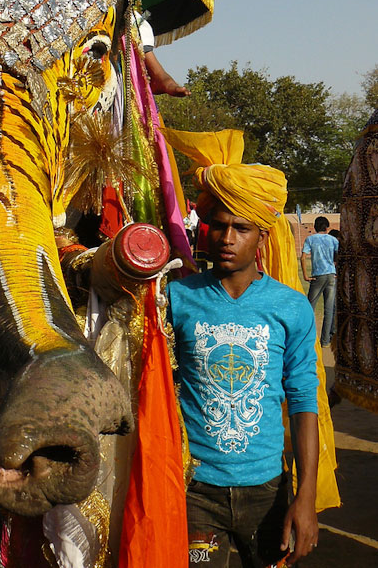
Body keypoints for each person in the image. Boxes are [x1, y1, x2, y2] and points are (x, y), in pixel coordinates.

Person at [165, 151, 320, 566]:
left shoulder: (291, 307)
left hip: (267, 492)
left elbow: (303, 402)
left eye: (242, 228)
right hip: (195, 489)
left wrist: (305, 498)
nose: (227, 238)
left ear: (262, 238)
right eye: (218, 225)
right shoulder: (177, 300)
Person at [301, 217, 338, 348]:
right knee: (329, 310)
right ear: (327, 227)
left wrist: (305, 275)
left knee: (310, 307)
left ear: (315, 227)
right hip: (331, 276)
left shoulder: (310, 239)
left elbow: (303, 257)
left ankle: (307, 338)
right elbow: (338, 255)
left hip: (317, 276)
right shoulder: (333, 240)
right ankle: (325, 340)